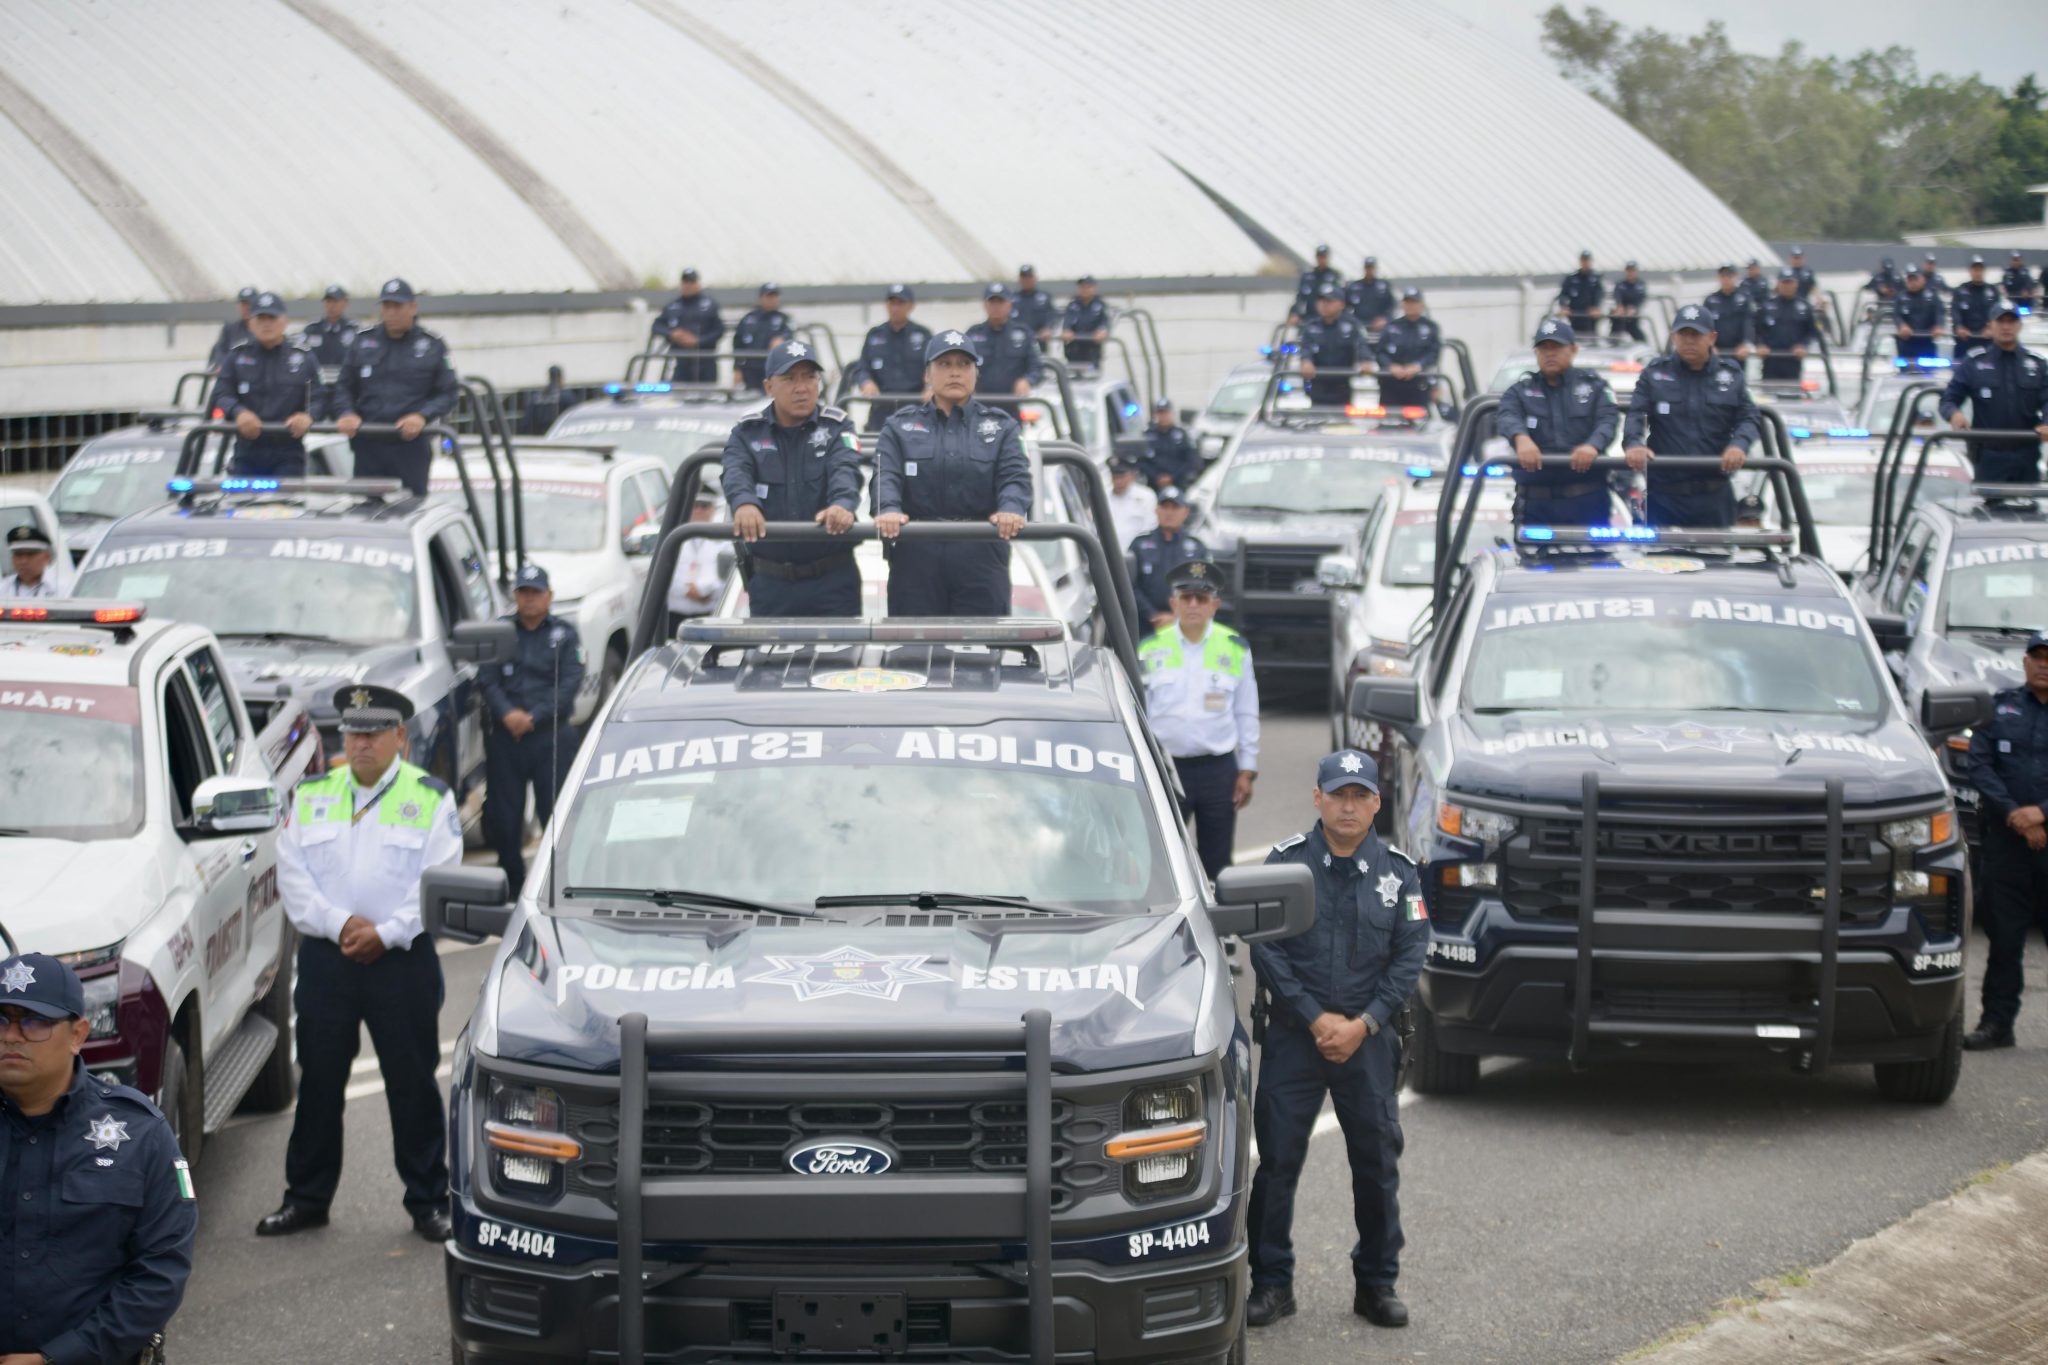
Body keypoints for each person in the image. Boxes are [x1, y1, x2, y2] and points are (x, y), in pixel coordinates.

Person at [258, 684, 463, 1242]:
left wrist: (387, 933)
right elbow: (292, 874)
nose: (362, 743)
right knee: (319, 1084)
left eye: (373, 733)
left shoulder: (429, 796)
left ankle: (428, 1201)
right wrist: (340, 924)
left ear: (399, 737)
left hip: (402, 962)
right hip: (329, 960)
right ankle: (306, 1199)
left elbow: (439, 878)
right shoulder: (312, 794)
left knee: (412, 1083)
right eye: (353, 733)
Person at [1246, 749, 1425, 1332]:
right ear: (1317, 797)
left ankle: (1376, 1284)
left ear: (1377, 803)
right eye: (1338, 794)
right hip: (1295, 1037)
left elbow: (1409, 956)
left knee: (1376, 1165)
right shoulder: (1285, 864)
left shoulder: (1400, 873)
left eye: (1360, 796)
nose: (1349, 806)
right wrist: (1314, 1017)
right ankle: (1272, 1284)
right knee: (1276, 1163)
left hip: (1367, 1041)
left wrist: (1364, 1023)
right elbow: (1265, 945)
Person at [0, 952, 196, 1365]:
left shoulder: (141, 1133)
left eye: (34, 1021)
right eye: (1, 1020)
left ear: (78, 1034)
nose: (12, 1036)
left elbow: (160, 1272)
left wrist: (60, 1358)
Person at [874, 331, 1032, 616]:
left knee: (984, 642)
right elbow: (885, 476)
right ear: (927, 374)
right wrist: (888, 509)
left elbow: (1015, 477)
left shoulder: (1003, 427)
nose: (955, 372)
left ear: (976, 373)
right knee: (914, 642)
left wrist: (1011, 508)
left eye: (964, 364)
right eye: (945, 364)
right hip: (916, 552)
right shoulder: (898, 427)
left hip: (981, 550)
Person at [724, 340, 864, 616]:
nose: (802, 387)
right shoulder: (747, 432)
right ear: (769, 387)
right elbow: (735, 469)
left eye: (809, 377)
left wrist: (842, 505)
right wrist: (744, 503)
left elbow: (846, 468)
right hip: (771, 583)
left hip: (833, 581)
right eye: (790, 379)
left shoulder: (838, 426)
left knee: (842, 647)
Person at [1139, 560, 1257, 881]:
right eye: (1186, 597)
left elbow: (1246, 710)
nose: (1193, 605)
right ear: (1173, 603)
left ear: (1214, 605)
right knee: (1161, 860)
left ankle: (1217, 914)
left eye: (1201, 598)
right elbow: (1140, 712)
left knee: (1217, 863)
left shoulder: (1234, 648)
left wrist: (1247, 769)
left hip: (1217, 770)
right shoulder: (1149, 648)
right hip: (1166, 769)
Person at [1964, 632, 2048, 1051]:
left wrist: (2042, 813)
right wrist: (2018, 816)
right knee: (2005, 938)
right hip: (2007, 842)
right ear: (2025, 661)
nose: (2043, 664)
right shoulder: (1999, 708)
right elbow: (1979, 766)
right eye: (2037, 656)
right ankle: (1997, 1024)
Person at [481, 565, 585, 896]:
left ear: (549, 596)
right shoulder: (500, 633)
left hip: (550, 736)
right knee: (504, 817)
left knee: (556, 814)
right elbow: (487, 680)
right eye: (523, 592)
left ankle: (558, 884)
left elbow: (570, 682)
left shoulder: (565, 635)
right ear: (515, 595)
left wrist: (533, 717)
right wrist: (508, 715)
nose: (529, 599)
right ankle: (511, 886)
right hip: (506, 738)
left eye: (536, 592)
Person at [1624, 304, 1759, 527]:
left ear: (1712, 338)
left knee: (1718, 550)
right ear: (1673, 337)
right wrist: (1634, 443)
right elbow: (1636, 413)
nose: (1688, 341)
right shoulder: (1655, 373)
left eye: (1696, 334)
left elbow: (1749, 417)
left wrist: (1739, 445)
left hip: (1713, 495)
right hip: (1664, 497)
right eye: (1683, 334)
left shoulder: (1731, 376)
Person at [332, 278, 457, 496]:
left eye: (397, 306)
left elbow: (448, 393)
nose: (391, 313)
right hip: (368, 444)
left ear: (413, 307)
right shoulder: (362, 342)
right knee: (364, 510)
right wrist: (346, 412)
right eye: (386, 306)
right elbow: (343, 386)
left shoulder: (432, 345)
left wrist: (422, 416)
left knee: (412, 508)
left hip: (410, 447)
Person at [1497, 318, 1619, 527]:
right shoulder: (1519, 392)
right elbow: (1507, 416)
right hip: (1536, 504)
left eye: (1556, 347)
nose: (1549, 354)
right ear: (1536, 353)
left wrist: (1593, 446)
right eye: (1543, 348)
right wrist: (1521, 439)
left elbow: (1608, 420)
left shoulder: (1595, 388)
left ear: (1573, 349)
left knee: (1595, 550)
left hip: (1587, 501)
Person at [209, 291, 323, 478]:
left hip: (288, 452)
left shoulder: (303, 358)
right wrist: (239, 412)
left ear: (284, 322)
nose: (266, 323)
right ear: (250, 323)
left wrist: (308, 416)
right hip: (247, 451)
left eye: (272, 318)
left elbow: (320, 397)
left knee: (287, 497)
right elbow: (221, 392)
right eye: (261, 318)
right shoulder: (237, 357)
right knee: (241, 497)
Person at [1939, 303, 2048, 483]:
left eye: (2011, 321)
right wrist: (1954, 414)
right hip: (1989, 457)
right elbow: (1948, 399)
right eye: (2001, 321)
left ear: (2019, 325)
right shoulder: (1974, 363)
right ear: (1990, 326)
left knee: (2028, 501)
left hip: (2027, 456)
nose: (2006, 327)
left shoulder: (2037, 364)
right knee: (1988, 502)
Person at [1129, 487, 1208, 627]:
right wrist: (1152, 615)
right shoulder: (1139, 545)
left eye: (1175, 508)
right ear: (1156, 510)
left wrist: (1177, 617)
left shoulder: (1197, 548)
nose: (1169, 513)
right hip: (1144, 624)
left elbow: (1204, 587)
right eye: (1165, 507)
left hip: (1185, 625)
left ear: (1185, 512)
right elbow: (1129, 585)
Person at [855, 284, 931, 429]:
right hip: (881, 409)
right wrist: (866, 382)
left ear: (911, 306)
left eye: (900, 303)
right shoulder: (874, 335)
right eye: (892, 303)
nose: (895, 308)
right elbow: (862, 367)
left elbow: (934, 366)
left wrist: (931, 387)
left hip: (916, 408)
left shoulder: (923, 335)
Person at [1298, 283, 1371, 409]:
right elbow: (1306, 348)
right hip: (1317, 383)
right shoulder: (1310, 327)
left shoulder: (1352, 325)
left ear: (1341, 304)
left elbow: (1361, 345)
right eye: (1321, 301)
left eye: (1329, 301)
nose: (1324, 305)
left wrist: (1364, 360)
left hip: (1342, 385)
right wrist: (1306, 361)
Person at [965, 283, 1043, 398]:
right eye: (992, 302)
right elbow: (961, 366)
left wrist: (1027, 380)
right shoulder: (973, 334)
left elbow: (1037, 368)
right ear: (984, 305)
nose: (996, 306)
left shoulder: (1024, 333)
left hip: (1014, 401)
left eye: (1000, 301)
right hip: (980, 401)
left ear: (1010, 304)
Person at [652, 268, 723, 385]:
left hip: (705, 359)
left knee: (707, 392)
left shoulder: (709, 305)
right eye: (685, 282)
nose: (688, 286)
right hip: (681, 360)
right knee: (678, 390)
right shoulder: (672, 306)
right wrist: (672, 334)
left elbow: (719, 330)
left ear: (698, 284)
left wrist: (698, 341)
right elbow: (656, 326)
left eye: (691, 282)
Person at [1373, 288, 1441, 410]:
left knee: (1418, 417)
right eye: (1407, 302)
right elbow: (1380, 352)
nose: (1410, 306)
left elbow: (1433, 353)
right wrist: (1390, 366)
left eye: (1414, 302)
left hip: (1418, 383)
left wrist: (1418, 366)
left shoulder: (1431, 328)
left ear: (1421, 305)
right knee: (1389, 417)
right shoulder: (1391, 327)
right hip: (1392, 383)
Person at [666, 488, 727, 622]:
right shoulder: (672, 536)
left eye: (704, 506)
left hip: (710, 614)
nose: (699, 510)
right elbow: (663, 572)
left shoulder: (724, 540)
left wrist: (702, 591)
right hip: (675, 616)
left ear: (713, 509)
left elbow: (727, 576)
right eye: (695, 506)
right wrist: (686, 591)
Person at [1753, 270, 1822, 383]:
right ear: (1778, 284)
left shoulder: (1804, 307)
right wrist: (1760, 344)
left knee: (1792, 391)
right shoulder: (1766, 306)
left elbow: (1812, 331)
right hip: (1771, 359)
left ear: (1796, 284)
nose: (1787, 286)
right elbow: (1756, 329)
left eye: (1790, 283)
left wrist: (1804, 345)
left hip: (1793, 359)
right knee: (1769, 391)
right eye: (1784, 282)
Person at [732, 283, 793, 393]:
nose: (772, 300)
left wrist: (782, 339)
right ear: (761, 298)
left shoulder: (784, 319)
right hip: (750, 369)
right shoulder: (748, 318)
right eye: (769, 296)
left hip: (773, 369)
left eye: (774, 296)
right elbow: (737, 345)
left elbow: (789, 335)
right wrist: (737, 369)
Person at [1140, 398, 1201, 490]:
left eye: (1166, 413)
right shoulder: (1147, 435)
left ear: (1173, 413)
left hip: (1178, 483)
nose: (1163, 416)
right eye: (1160, 413)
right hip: (1153, 484)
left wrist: (1173, 477)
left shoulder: (1181, 434)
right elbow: (1141, 460)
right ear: (1155, 414)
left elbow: (1190, 459)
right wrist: (1156, 476)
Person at [1950, 256, 2003, 362]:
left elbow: (1998, 313)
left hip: (1986, 339)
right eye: (1975, 270)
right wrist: (1959, 327)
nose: (1978, 273)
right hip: (1965, 339)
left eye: (1980, 270)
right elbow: (1955, 311)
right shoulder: (1960, 290)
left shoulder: (1993, 291)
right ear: (1970, 271)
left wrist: (1992, 327)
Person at [1893, 266, 1945, 363]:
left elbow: (1939, 312)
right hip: (1907, 342)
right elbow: (1897, 315)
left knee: (1928, 369)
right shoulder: (1900, 297)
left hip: (1927, 341)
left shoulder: (1932, 296)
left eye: (1915, 279)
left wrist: (1939, 326)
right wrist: (1902, 326)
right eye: (1910, 280)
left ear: (1922, 279)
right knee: (1906, 368)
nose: (1912, 282)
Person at [1107, 454, 1158, 550]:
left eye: (1122, 477)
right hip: (1107, 552)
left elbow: (1150, 527)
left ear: (1132, 476)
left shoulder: (1146, 496)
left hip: (1136, 552)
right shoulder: (1102, 496)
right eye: (1115, 477)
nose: (1118, 481)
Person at [299, 283, 357, 369]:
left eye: (335, 301)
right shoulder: (312, 330)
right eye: (328, 301)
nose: (331, 305)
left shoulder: (354, 330)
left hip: (345, 376)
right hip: (318, 375)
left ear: (345, 303)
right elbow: (300, 354)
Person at [1700, 265, 1752, 358]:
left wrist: (1745, 343)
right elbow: (1705, 325)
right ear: (1718, 278)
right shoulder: (1710, 300)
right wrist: (1709, 345)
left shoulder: (1744, 299)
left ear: (1736, 277)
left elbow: (1748, 323)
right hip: (1716, 352)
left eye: (1729, 276)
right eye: (1723, 276)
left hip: (1738, 352)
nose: (1726, 279)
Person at [1060, 275, 1110, 368]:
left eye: (1088, 287)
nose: (1085, 290)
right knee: (1073, 374)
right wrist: (1066, 330)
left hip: (1092, 349)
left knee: (1092, 374)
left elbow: (1105, 322)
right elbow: (1067, 322)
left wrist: (1102, 331)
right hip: (1074, 348)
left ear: (1094, 288)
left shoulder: (1100, 305)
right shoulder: (1072, 305)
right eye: (1082, 287)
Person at [206, 285, 258, 371]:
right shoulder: (230, 329)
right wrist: (221, 365)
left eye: (250, 304)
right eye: (243, 304)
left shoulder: (265, 330)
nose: (246, 308)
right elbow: (220, 351)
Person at [1288, 244, 1341, 326]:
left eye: (1324, 257)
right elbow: (1300, 298)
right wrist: (1295, 313)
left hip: (1328, 319)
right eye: (1319, 256)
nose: (1321, 259)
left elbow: (1339, 298)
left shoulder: (1334, 276)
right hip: (1309, 317)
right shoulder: (1307, 276)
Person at [2, 524, 59, 598]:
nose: (23, 561)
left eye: (30, 554)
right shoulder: (3, 588)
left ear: (46, 557)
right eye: (18, 554)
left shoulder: (63, 588)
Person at [1556, 250, 1603, 337]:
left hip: (1590, 316)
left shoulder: (1596, 278)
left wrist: (1597, 307)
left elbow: (1600, 294)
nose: (1585, 263)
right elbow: (1563, 294)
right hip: (1575, 315)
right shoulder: (1571, 278)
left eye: (1587, 260)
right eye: (1583, 260)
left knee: (1591, 338)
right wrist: (1564, 306)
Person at [1346, 257, 1396, 335]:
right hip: (1359, 326)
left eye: (1372, 268)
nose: (1369, 270)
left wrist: (1385, 319)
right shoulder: (1354, 287)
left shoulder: (1383, 286)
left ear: (1375, 269)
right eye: (1367, 268)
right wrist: (1352, 321)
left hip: (1379, 327)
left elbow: (1391, 306)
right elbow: (1345, 306)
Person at [1012, 264, 1058, 345]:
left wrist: (1048, 328)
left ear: (1035, 278)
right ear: (1019, 280)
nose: (1026, 280)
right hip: (1017, 341)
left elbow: (1053, 316)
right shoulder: (1012, 299)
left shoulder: (1044, 297)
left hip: (1039, 341)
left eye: (1029, 277)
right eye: (1023, 277)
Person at [522, 364, 569, 435]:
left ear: (549, 377)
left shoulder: (536, 397)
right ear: (560, 377)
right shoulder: (566, 396)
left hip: (538, 436)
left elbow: (527, 422)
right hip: (558, 434)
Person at [1609, 260, 1647, 342]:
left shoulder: (1640, 285)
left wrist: (1634, 308)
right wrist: (1619, 306)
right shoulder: (1620, 284)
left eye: (1632, 270)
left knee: (1640, 339)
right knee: (1614, 336)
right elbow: (1617, 295)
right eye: (1628, 270)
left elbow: (1641, 298)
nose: (1630, 273)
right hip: (1620, 318)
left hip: (1632, 319)